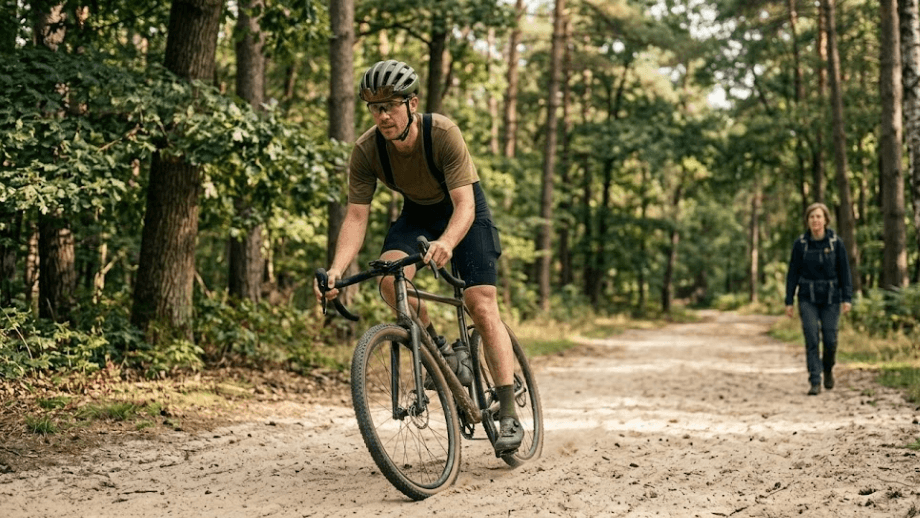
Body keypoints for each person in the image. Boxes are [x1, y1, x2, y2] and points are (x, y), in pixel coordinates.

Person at [313, 60, 523, 455]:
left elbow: (464, 205)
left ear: (412, 103)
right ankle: (442, 350)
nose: (383, 115)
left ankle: (509, 412)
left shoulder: (442, 133)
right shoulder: (366, 150)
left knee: (479, 302)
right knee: (390, 280)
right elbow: (356, 217)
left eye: (391, 105)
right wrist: (337, 271)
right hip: (417, 216)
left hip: (464, 213)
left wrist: (446, 242)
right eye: (375, 107)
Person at [784, 202, 853, 396]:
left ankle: (828, 369)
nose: (815, 220)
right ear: (807, 221)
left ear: (826, 220)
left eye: (819, 216)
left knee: (831, 340)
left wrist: (847, 297)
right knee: (812, 337)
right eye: (812, 217)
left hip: (831, 297)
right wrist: (789, 300)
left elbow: (845, 272)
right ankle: (815, 380)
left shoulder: (835, 242)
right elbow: (792, 274)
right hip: (807, 298)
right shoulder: (801, 244)